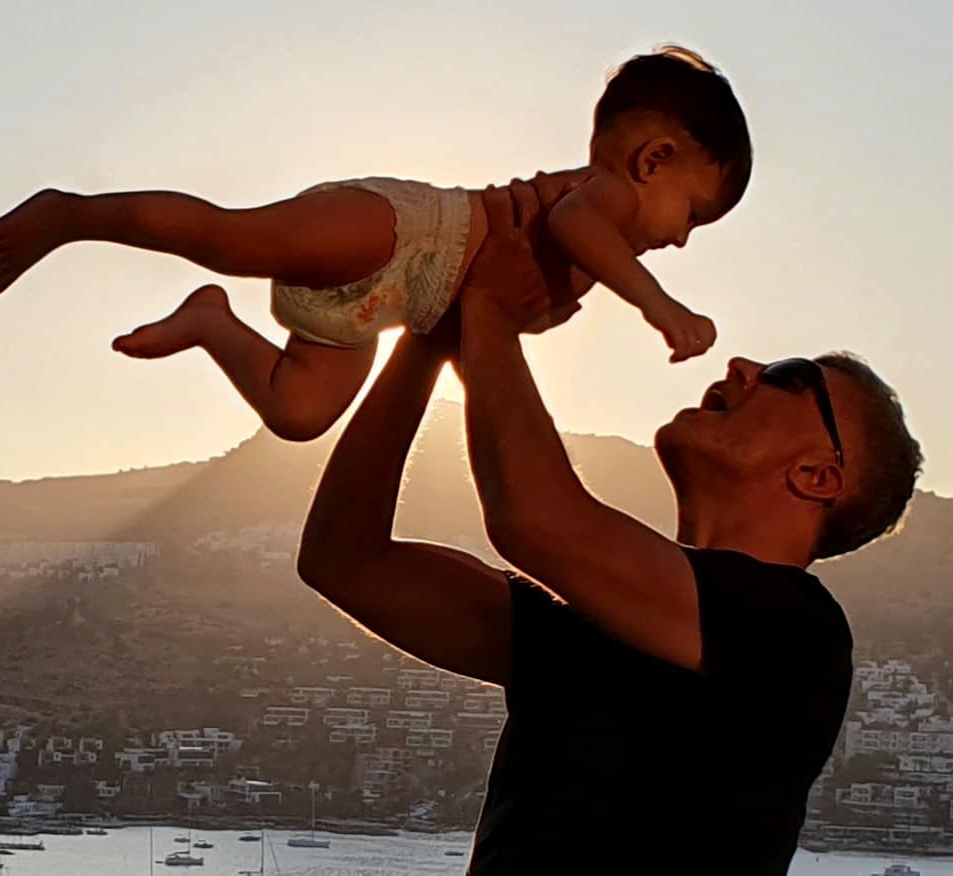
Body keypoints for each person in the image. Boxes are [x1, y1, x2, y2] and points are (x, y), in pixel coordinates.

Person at [296, 181, 923, 874]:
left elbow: (535, 520)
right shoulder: (579, 631)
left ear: (818, 476)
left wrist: (488, 304)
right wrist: (430, 337)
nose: (743, 367)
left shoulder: (798, 637)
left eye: (788, 375)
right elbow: (344, 559)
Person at [0, 45, 750, 441]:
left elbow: (490, 310)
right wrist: (660, 307)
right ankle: (70, 214)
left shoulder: (593, 248)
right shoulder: (605, 199)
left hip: (384, 310)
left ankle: (212, 322)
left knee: (300, 413)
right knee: (229, 237)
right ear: (654, 161)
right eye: (692, 215)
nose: (682, 240)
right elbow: (571, 225)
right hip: (405, 231)